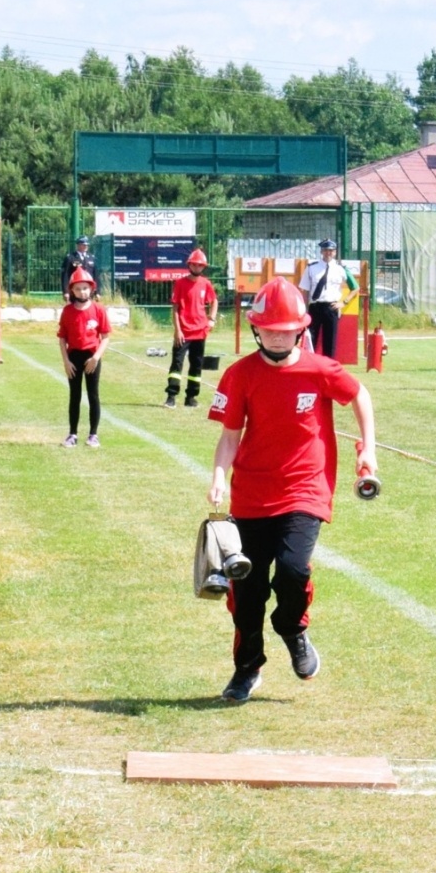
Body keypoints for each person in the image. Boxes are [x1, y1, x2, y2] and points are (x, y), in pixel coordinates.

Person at [206, 276, 376, 703]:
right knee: (247, 590)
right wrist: (219, 475)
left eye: (286, 330)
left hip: (305, 488)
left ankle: (292, 629)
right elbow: (230, 435)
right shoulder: (240, 374)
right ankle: (247, 668)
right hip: (251, 494)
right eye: (269, 330)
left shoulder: (320, 370)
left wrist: (368, 448)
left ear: (301, 329)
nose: (278, 338)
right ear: (255, 328)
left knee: (293, 569)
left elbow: (360, 395)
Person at [56, 268, 111, 448]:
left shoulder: (98, 309)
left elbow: (105, 337)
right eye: (78, 289)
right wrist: (66, 361)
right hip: (74, 357)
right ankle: (72, 434)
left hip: (91, 357)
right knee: (75, 395)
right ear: (72, 290)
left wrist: (96, 357)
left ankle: (93, 434)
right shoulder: (67, 311)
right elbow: (62, 338)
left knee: (93, 395)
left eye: (85, 288)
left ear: (91, 289)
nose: (82, 292)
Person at [165, 248, 219, 408]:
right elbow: (175, 308)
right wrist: (178, 330)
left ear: (204, 267)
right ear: (189, 265)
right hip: (183, 332)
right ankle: (171, 396)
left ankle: (191, 397)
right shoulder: (180, 283)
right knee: (177, 363)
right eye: (194, 264)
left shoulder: (206, 283)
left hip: (200, 332)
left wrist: (211, 319)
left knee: (196, 365)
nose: (197, 267)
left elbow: (214, 301)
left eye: (200, 265)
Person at [302, 239, 357, 360]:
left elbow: (355, 288)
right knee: (310, 339)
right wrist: (304, 310)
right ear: (321, 251)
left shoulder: (341, 269)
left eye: (331, 250)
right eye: (326, 250)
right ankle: (309, 364)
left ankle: (329, 366)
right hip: (315, 307)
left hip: (331, 307)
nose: (328, 253)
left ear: (335, 252)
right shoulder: (311, 268)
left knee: (330, 341)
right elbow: (305, 291)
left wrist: (344, 302)